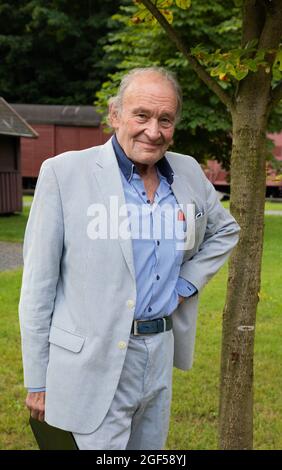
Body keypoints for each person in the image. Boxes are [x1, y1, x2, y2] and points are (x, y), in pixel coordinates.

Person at [19, 67, 240, 450]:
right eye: (142, 115)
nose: (153, 131)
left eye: (165, 120)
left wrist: (185, 283)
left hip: (158, 355)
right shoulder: (63, 174)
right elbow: (38, 287)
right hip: (90, 361)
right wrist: (38, 381)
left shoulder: (186, 172)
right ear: (115, 114)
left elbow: (226, 230)